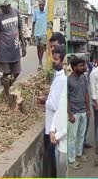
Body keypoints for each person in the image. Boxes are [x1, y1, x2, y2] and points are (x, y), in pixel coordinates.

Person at [0, 0, 27, 102]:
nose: (3, 9)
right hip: (4, 49)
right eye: (1, 7)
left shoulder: (16, 12)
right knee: (6, 75)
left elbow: (20, 29)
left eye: (4, 7)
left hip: (15, 48)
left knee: (16, 72)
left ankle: (6, 88)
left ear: (9, 5)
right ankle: (6, 94)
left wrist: (24, 45)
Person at [39, 45, 66, 177]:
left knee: (54, 160)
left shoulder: (62, 79)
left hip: (54, 128)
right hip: (51, 125)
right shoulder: (57, 75)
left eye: (56, 59)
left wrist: (45, 100)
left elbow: (55, 105)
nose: (53, 62)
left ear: (62, 61)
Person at [68, 57, 90, 170]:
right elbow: (66, 98)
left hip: (83, 111)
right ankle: (71, 160)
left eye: (83, 65)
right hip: (74, 113)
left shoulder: (84, 77)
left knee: (81, 135)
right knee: (72, 137)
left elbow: (86, 93)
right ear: (74, 67)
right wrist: (70, 114)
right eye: (80, 66)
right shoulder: (69, 79)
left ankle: (79, 154)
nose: (83, 67)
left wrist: (88, 109)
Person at [50, 82, 67, 177]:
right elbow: (57, 111)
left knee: (64, 173)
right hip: (58, 143)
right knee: (59, 173)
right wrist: (52, 130)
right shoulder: (64, 88)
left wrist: (55, 137)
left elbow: (66, 129)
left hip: (64, 144)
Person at [32, 0, 47, 69]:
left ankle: (40, 62)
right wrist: (32, 33)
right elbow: (33, 23)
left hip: (44, 33)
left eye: (42, 5)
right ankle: (40, 61)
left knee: (42, 46)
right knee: (38, 48)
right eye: (40, 5)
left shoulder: (47, 12)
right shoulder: (36, 12)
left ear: (44, 5)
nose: (41, 6)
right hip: (36, 33)